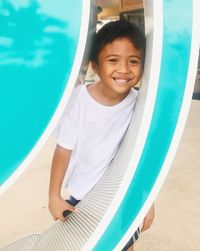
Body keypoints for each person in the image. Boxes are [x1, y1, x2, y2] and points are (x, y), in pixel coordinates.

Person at [48, 20, 155, 251]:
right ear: (96, 65)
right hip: (82, 194)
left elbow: (144, 155)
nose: (124, 69)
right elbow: (63, 148)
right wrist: (54, 195)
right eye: (113, 60)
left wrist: (148, 199)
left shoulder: (141, 104)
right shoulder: (79, 100)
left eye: (134, 61)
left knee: (123, 245)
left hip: (122, 195)